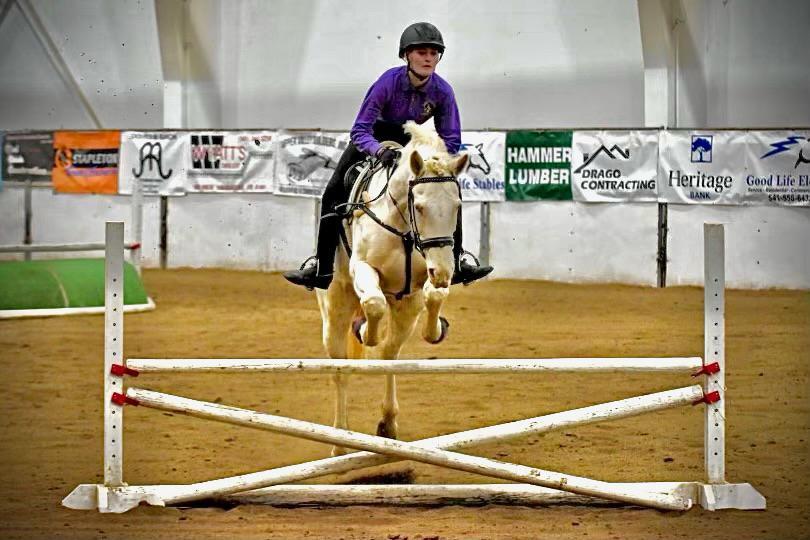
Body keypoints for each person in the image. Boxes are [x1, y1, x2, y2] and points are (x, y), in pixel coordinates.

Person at [283, 22, 493, 290]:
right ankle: (321, 267)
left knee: (448, 190)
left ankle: (458, 258)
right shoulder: (388, 82)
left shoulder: (443, 91)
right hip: (372, 138)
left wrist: (438, 162)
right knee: (333, 192)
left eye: (433, 53)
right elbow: (360, 130)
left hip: (410, 140)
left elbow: (451, 139)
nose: (428, 58)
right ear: (406, 55)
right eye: (421, 52)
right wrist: (379, 150)